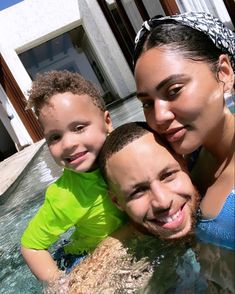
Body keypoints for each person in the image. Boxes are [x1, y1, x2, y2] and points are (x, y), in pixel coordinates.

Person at [133, 12, 235, 250]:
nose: (159, 117)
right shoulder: (186, 159)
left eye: (174, 90)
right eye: (147, 103)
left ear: (224, 73)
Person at [20, 70, 126, 283]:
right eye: (55, 137)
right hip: (80, 258)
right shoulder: (65, 196)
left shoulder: (132, 153)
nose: (68, 144)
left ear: (107, 121)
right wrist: (61, 285)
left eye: (79, 128)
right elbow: (32, 246)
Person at [99, 121, 200, 240]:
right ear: (117, 202)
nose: (163, 202)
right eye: (138, 191)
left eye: (167, 175)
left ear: (184, 164)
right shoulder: (112, 254)